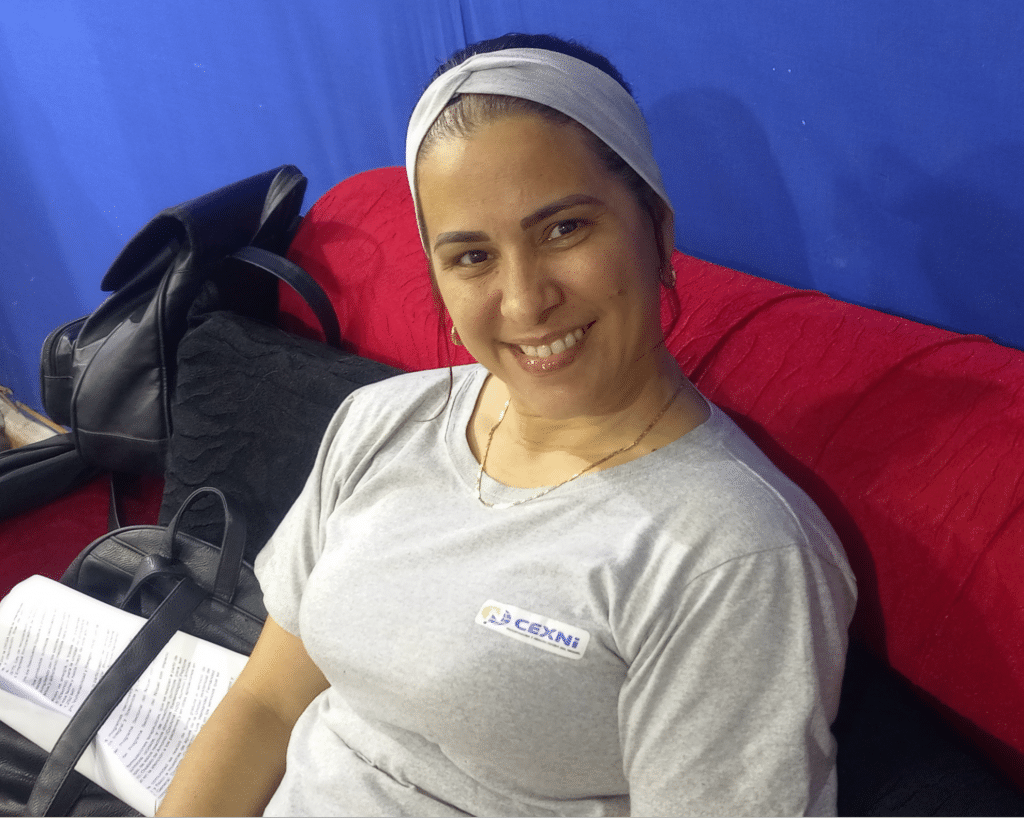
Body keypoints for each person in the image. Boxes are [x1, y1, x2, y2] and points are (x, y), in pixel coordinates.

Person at [158, 33, 856, 817]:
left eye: (564, 230)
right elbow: (267, 704)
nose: (525, 302)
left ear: (658, 231)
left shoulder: (731, 555)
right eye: (472, 257)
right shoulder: (382, 422)